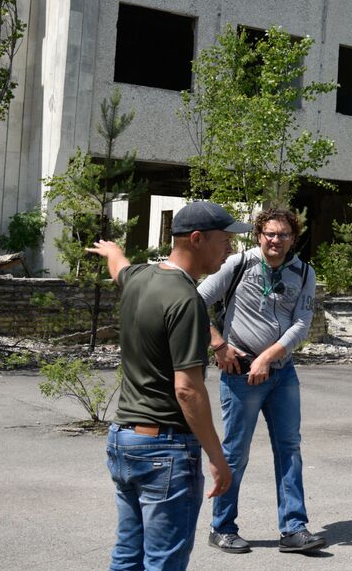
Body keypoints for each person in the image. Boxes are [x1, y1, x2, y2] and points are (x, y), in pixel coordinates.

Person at [88, 200, 247, 571]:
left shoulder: (141, 278)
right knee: (164, 563)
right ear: (196, 239)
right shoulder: (187, 300)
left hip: (124, 441)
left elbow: (119, 269)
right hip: (164, 450)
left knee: (127, 557)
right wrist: (217, 457)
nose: (230, 248)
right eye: (224, 239)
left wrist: (112, 250)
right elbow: (187, 390)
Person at [196, 208, 325, 555]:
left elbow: (302, 321)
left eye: (283, 234)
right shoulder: (236, 265)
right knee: (235, 453)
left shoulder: (304, 272)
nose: (275, 240)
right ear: (258, 235)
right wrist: (219, 345)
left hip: (282, 372)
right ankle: (221, 527)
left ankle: (294, 529)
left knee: (290, 450)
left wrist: (269, 357)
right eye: (269, 233)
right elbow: (194, 302)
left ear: (293, 238)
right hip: (241, 374)